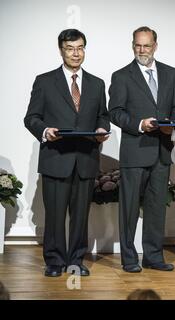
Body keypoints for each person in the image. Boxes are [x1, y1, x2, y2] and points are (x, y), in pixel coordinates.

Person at [24, 29, 110, 277]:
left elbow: (102, 115)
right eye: (70, 48)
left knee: (80, 216)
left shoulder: (96, 83)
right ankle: (54, 261)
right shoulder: (44, 81)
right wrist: (45, 130)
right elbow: (31, 118)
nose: (76, 53)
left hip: (85, 159)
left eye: (80, 47)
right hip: (55, 158)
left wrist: (103, 127)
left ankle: (76, 260)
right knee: (55, 215)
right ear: (61, 49)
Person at [109, 26, 175, 273]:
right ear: (133, 46)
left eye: (147, 45)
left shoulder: (170, 73)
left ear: (155, 45)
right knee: (129, 208)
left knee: (155, 209)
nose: (142, 50)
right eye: (138, 45)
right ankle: (129, 259)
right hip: (135, 151)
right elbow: (115, 112)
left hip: (162, 151)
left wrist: (171, 126)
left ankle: (153, 257)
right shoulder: (121, 76)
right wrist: (139, 124)